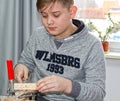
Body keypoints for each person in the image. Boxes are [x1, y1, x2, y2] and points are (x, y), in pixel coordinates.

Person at [14, 0, 106, 101]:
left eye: (56, 15)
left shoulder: (92, 44)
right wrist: (20, 67)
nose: (49, 22)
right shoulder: (38, 35)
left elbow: (98, 93)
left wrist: (68, 86)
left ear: (72, 12)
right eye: (44, 16)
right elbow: (25, 62)